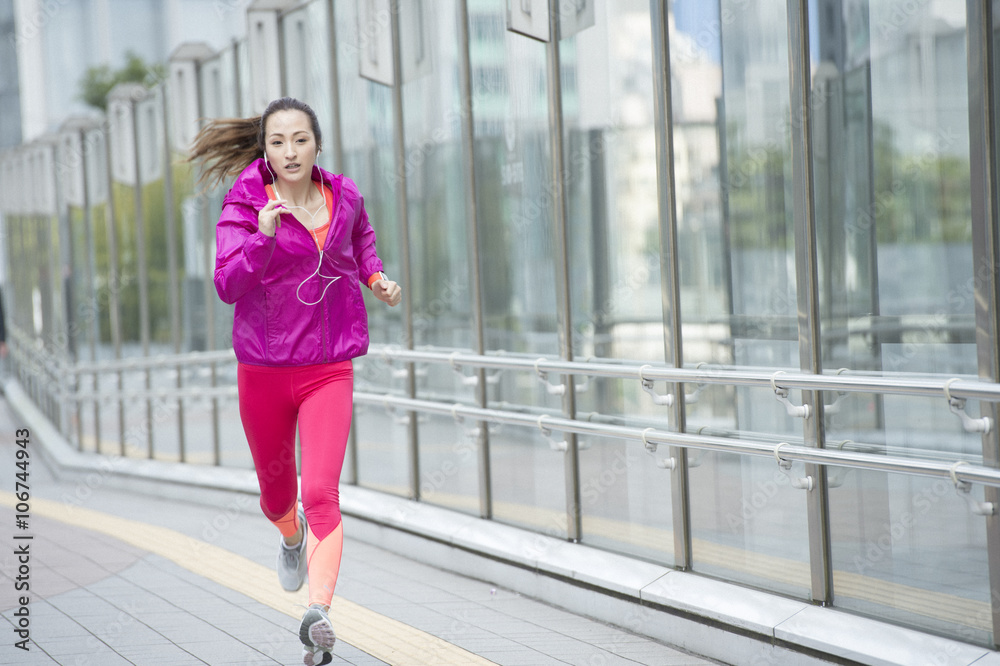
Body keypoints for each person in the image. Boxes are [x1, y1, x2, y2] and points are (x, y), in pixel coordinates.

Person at [188, 97, 401, 666]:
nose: (289, 151)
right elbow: (227, 286)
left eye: (300, 140)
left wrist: (375, 276)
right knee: (278, 497)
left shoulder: (344, 194)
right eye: (278, 141)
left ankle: (319, 612)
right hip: (263, 371)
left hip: (328, 367)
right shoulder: (243, 204)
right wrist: (261, 236)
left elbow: (360, 239)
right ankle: (289, 536)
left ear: (317, 145)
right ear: (265, 149)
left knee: (322, 493)